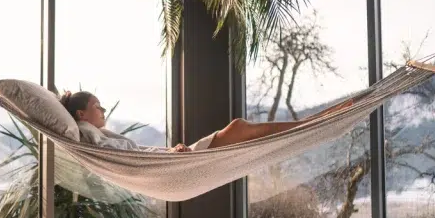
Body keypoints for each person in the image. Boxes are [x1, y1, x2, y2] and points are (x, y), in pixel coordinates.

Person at [59, 91, 354, 153]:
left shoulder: (96, 132)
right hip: (173, 163)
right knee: (239, 127)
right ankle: (312, 122)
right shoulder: (87, 133)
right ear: (82, 115)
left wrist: (170, 152)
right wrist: (171, 155)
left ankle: (312, 123)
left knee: (240, 128)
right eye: (97, 106)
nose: (103, 109)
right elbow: (126, 156)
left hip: (173, 159)